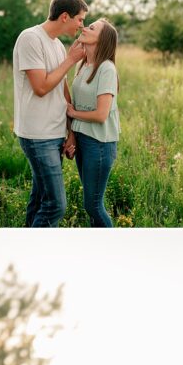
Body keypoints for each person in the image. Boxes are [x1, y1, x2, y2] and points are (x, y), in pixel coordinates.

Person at [13, 0, 88, 226]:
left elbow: (61, 89)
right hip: (37, 135)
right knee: (56, 205)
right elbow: (42, 87)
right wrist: (71, 60)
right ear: (65, 16)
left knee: (39, 201)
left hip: (54, 133)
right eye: (80, 19)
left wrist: (70, 131)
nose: (82, 26)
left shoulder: (56, 45)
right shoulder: (30, 38)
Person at [65, 18, 120, 227]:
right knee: (90, 204)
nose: (84, 28)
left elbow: (101, 114)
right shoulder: (83, 64)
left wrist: (73, 113)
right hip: (84, 140)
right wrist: (73, 136)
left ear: (101, 39)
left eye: (91, 28)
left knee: (93, 205)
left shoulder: (106, 69)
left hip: (99, 144)